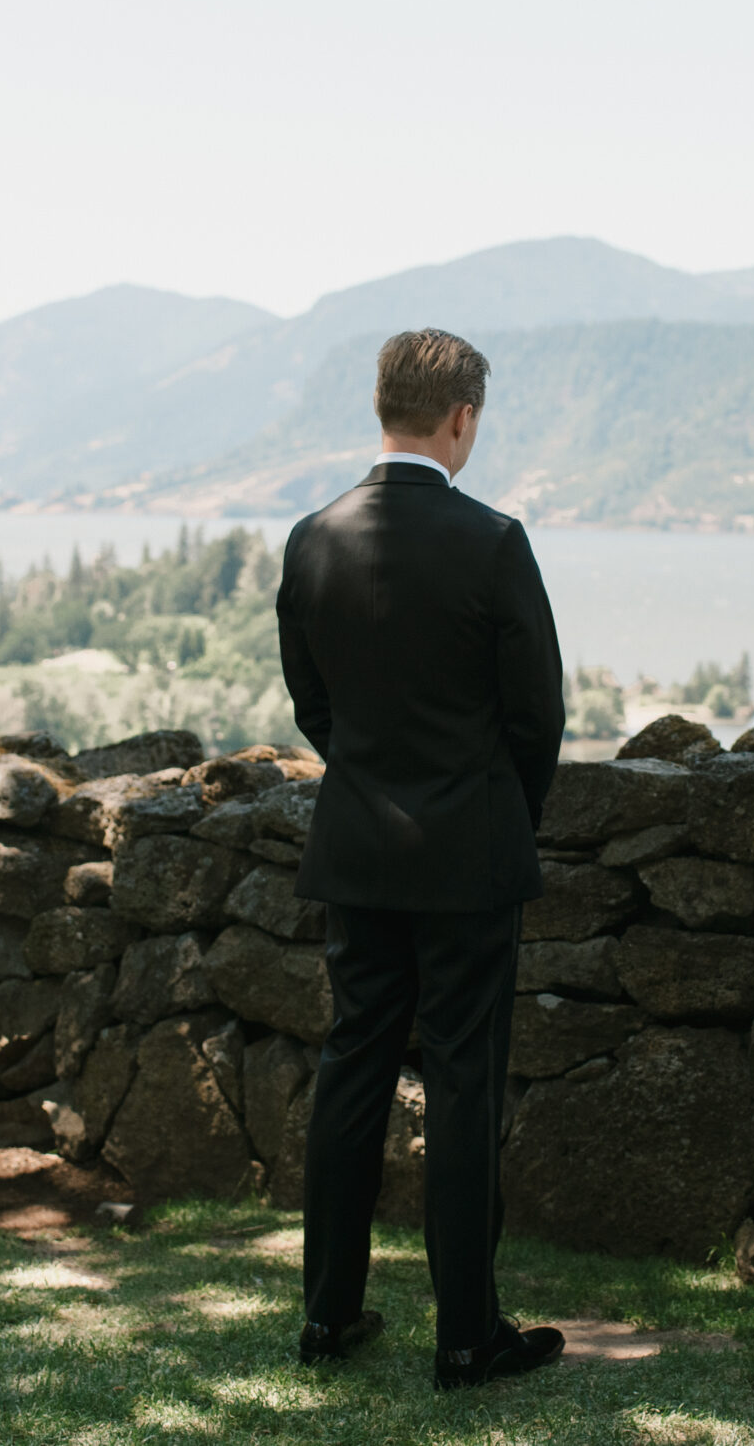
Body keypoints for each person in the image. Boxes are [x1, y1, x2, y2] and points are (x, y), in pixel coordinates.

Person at [276, 326, 569, 1391]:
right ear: (462, 418)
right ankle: (466, 1335)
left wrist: (364, 779)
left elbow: (313, 702)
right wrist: (501, 811)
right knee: (461, 1084)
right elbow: (538, 713)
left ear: (381, 407)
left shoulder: (313, 537)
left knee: (351, 1068)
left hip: (355, 848)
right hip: (467, 856)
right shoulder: (493, 540)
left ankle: (326, 1314)